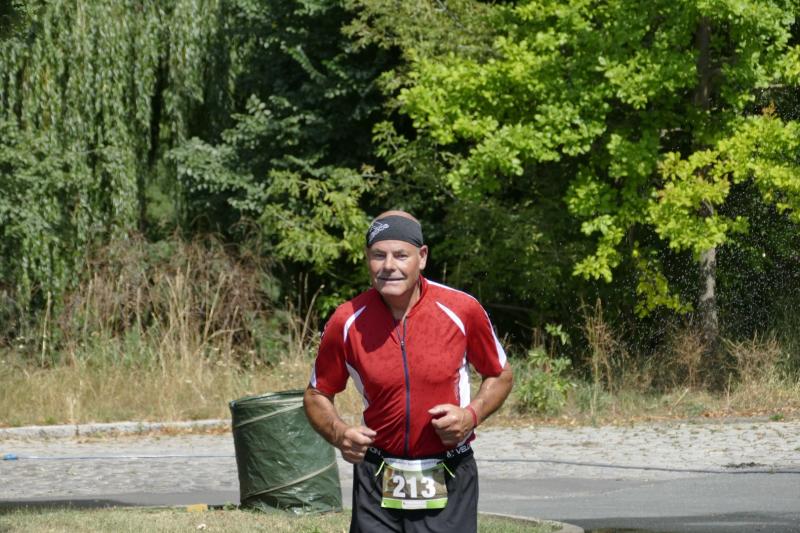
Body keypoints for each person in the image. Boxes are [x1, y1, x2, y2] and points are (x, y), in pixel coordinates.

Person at [303, 210, 513, 533]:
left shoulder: (462, 310)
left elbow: (500, 375)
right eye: (379, 255)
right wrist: (339, 433)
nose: (389, 265)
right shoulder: (346, 320)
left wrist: (471, 416)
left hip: (449, 471)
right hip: (377, 477)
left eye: (401, 255)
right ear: (367, 259)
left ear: (422, 257)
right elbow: (317, 394)